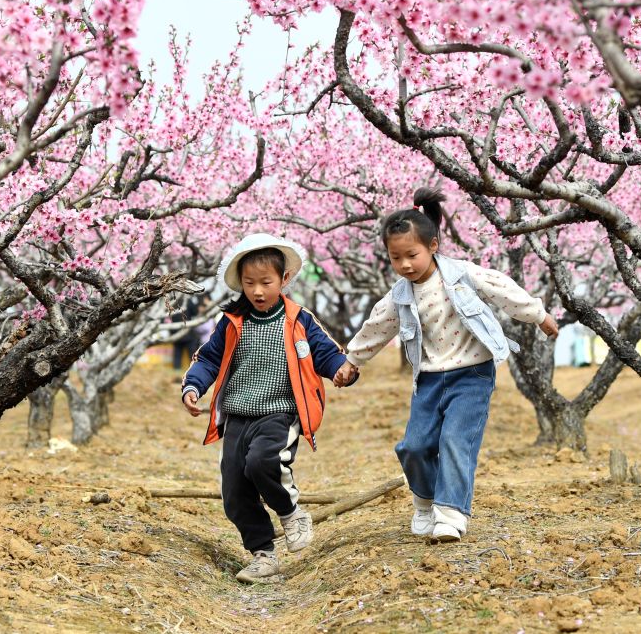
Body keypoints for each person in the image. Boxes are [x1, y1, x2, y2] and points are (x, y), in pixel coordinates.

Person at [333, 188, 558, 544]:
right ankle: (424, 501)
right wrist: (352, 360)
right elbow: (377, 326)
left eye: (412, 255)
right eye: (396, 258)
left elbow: (501, 288)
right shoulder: (400, 295)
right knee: (414, 446)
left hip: (472, 373)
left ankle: (451, 515)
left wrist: (538, 315)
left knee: (455, 440)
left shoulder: (461, 275)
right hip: (428, 379)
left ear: (433, 246)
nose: (405, 265)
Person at [181, 233, 354, 583]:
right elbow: (209, 359)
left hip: (280, 412)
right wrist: (193, 386)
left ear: (284, 279)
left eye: (266, 282)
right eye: (249, 284)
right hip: (238, 415)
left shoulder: (298, 320)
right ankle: (263, 555)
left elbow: (326, 352)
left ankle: (290, 513)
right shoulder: (233, 321)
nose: (258, 291)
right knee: (234, 491)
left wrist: (341, 370)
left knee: (264, 462)